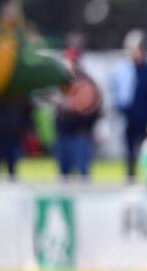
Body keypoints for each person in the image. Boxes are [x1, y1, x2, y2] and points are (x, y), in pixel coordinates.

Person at [112, 29, 147, 182]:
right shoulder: (121, 70)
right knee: (128, 155)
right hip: (126, 120)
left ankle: (146, 181)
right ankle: (129, 180)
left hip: (145, 120)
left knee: (146, 153)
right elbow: (115, 92)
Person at [54, 46, 101, 180]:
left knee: (83, 174)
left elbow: (95, 107)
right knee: (63, 175)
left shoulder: (88, 82)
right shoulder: (60, 82)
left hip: (80, 135)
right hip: (63, 134)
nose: (72, 64)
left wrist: (78, 109)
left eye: (74, 61)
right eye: (69, 61)